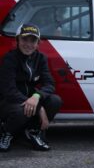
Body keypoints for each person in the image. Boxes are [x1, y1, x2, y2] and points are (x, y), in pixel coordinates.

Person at [0, 23, 62, 152]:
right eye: (24, 39)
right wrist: (39, 108)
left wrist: (36, 96)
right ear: (17, 40)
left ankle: (33, 132)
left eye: (33, 40)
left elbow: (50, 84)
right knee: (21, 111)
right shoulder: (9, 59)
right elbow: (8, 90)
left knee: (55, 100)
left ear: (38, 43)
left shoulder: (41, 58)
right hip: (9, 102)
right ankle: (6, 132)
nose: (28, 44)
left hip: (30, 99)